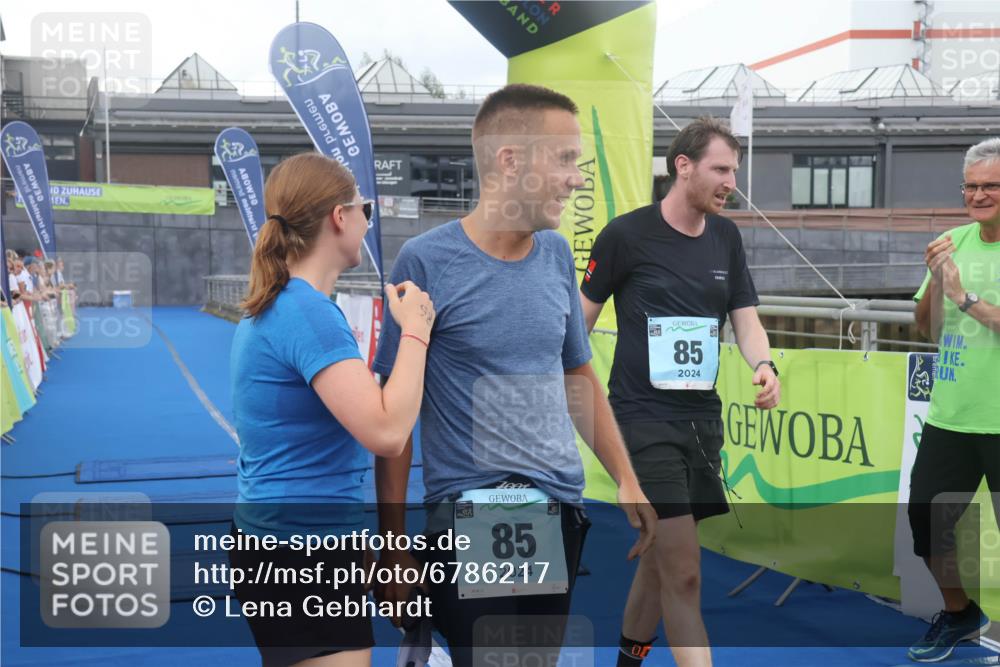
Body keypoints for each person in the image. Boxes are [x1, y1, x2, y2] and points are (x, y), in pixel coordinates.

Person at [372, 83, 657, 666]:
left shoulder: (555, 254)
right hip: (475, 510)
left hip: (558, 509)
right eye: (564, 159)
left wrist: (625, 477)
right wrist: (394, 546)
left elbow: (577, 376)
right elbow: (394, 416)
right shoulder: (425, 262)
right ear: (509, 160)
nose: (576, 178)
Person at [579, 117, 781, 667]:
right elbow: (577, 326)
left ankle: (627, 661)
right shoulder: (625, 235)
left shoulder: (727, 236)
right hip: (641, 423)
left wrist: (763, 364)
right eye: (720, 169)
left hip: (701, 422)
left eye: (734, 171)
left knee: (658, 563)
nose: (730, 182)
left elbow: (745, 319)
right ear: (683, 167)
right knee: (686, 572)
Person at [229, 153, 435, 667]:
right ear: (339, 217)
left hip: (290, 540)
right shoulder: (308, 313)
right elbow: (387, 431)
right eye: (365, 207)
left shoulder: (279, 306)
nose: (369, 220)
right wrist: (415, 328)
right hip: (299, 549)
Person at [907, 137, 1000, 663]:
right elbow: (927, 328)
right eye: (971, 186)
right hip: (952, 419)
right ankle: (961, 613)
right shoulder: (951, 242)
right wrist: (940, 288)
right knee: (925, 521)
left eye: (990, 185)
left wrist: (964, 293)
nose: (978, 195)